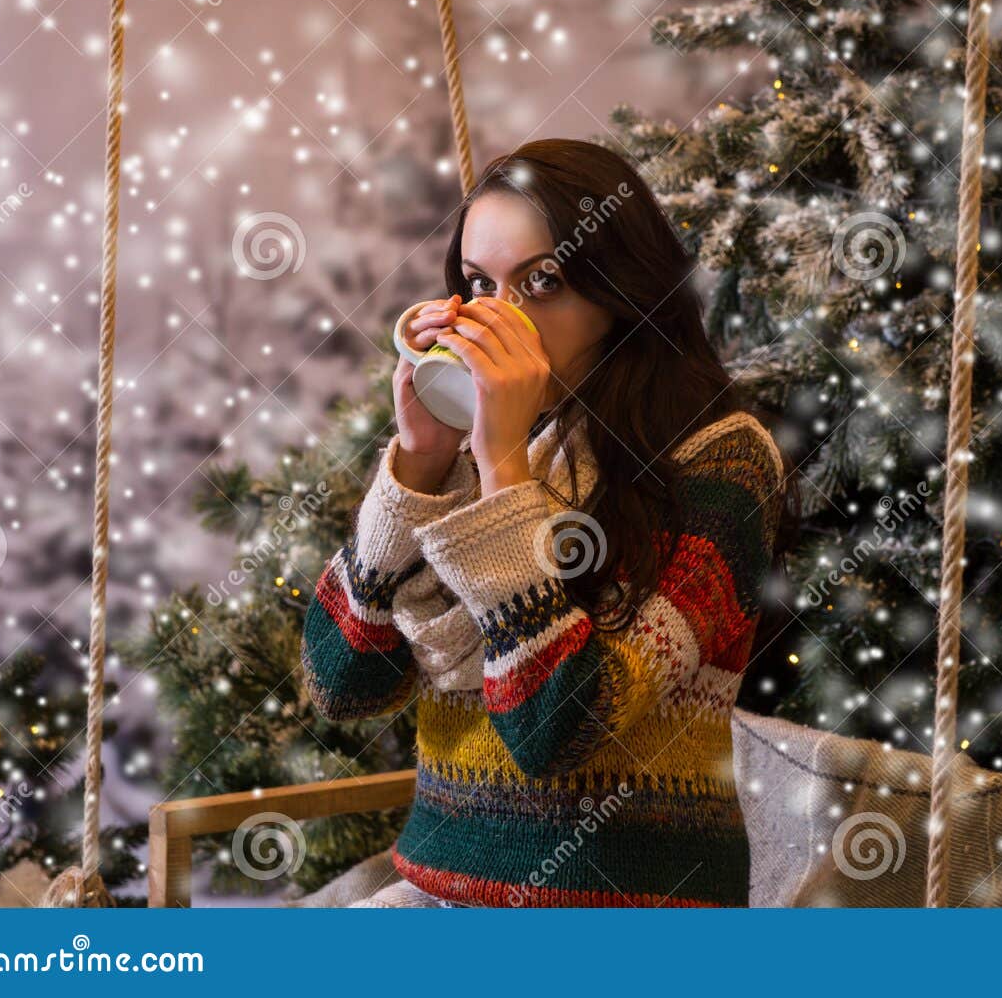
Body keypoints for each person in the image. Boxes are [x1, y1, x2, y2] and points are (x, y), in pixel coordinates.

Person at [301, 138, 794, 907]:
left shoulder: (724, 461)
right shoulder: (498, 444)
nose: (501, 318)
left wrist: (502, 472)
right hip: (440, 897)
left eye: (542, 281)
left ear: (622, 294)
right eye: (478, 284)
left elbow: (559, 732)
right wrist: (418, 464)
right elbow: (342, 683)